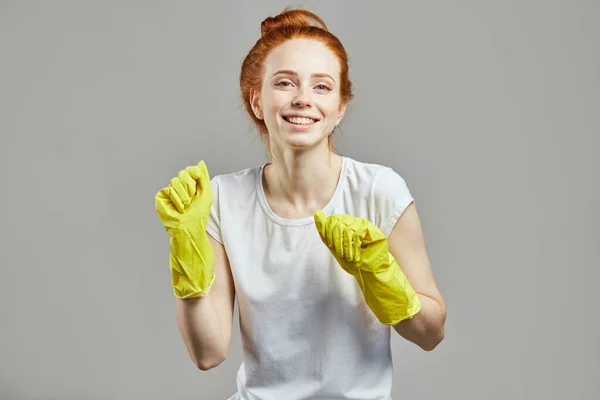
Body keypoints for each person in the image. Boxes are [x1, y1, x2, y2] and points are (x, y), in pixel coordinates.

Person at [155, 7, 447, 400]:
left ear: (340, 106)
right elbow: (208, 353)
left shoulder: (378, 190)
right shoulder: (223, 200)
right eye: (285, 83)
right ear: (257, 101)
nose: (303, 99)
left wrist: (384, 279)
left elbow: (431, 334)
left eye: (322, 86)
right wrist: (185, 246)